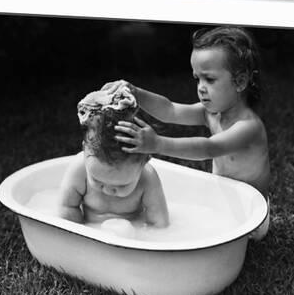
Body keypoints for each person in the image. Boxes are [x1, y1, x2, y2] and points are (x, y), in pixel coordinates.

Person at [104, 26, 270, 239]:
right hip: (222, 201)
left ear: (240, 81)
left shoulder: (248, 127)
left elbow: (209, 148)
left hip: (252, 216)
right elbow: (169, 110)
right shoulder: (210, 113)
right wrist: (135, 92)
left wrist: (158, 144)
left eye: (209, 79)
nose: (201, 87)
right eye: (197, 79)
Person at [57, 84, 170, 231]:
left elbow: (159, 223)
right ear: (85, 152)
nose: (108, 190)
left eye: (122, 185)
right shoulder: (79, 169)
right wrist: (83, 233)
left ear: (145, 160)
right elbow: (67, 207)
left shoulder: (148, 178)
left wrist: (141, 238)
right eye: (97, 180)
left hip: (132, 236)